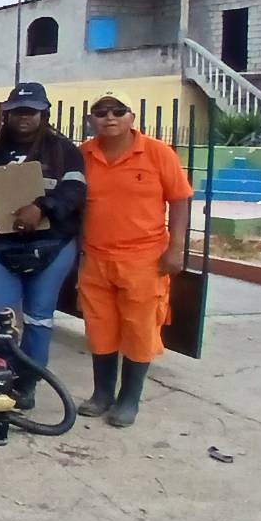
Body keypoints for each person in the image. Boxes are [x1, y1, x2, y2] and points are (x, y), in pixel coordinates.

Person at [76, 89, 193, 427]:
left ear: (131, 117)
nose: (109, 118)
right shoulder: (83, 155)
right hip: (96, 257)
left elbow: (180, 200)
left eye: (118, 111)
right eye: (101, 112)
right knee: (100, 327)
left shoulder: (157, 153)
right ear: (91, 119)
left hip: (144, 260)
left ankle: (129, 400)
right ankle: (102, 395)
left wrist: (176, 248)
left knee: (139, 330)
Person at [0, 82, 85, 411]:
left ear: (44, 114)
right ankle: (1, 377)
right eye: (17, 111)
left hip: (52, 246)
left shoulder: (65, 151)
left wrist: (42, 207)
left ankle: (28, 383)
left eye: (31, 111)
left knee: (38, 318)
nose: (23, 117)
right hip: (4, 248)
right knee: (0, 318)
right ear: (7, 114)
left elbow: (75, 194)